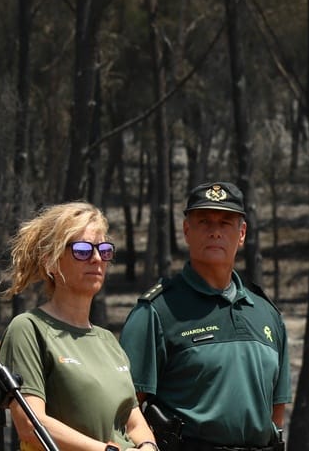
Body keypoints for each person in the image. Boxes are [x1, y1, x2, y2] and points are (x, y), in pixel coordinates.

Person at [119, 182, 290, 451]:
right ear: (187, 231)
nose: (215, 232)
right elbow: (127, 408)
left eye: (225, 223)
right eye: (204, 222)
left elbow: (276, 413)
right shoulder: (157, 311)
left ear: (242, 233)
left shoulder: (266, 313)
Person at [0, 202, 157, 451]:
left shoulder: (107, 340)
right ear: (50, 262)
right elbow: (30, 423)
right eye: (82, 250)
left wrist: (148, 446)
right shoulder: (28, 329)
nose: (97, 259)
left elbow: (134, 422)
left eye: (104, 250)